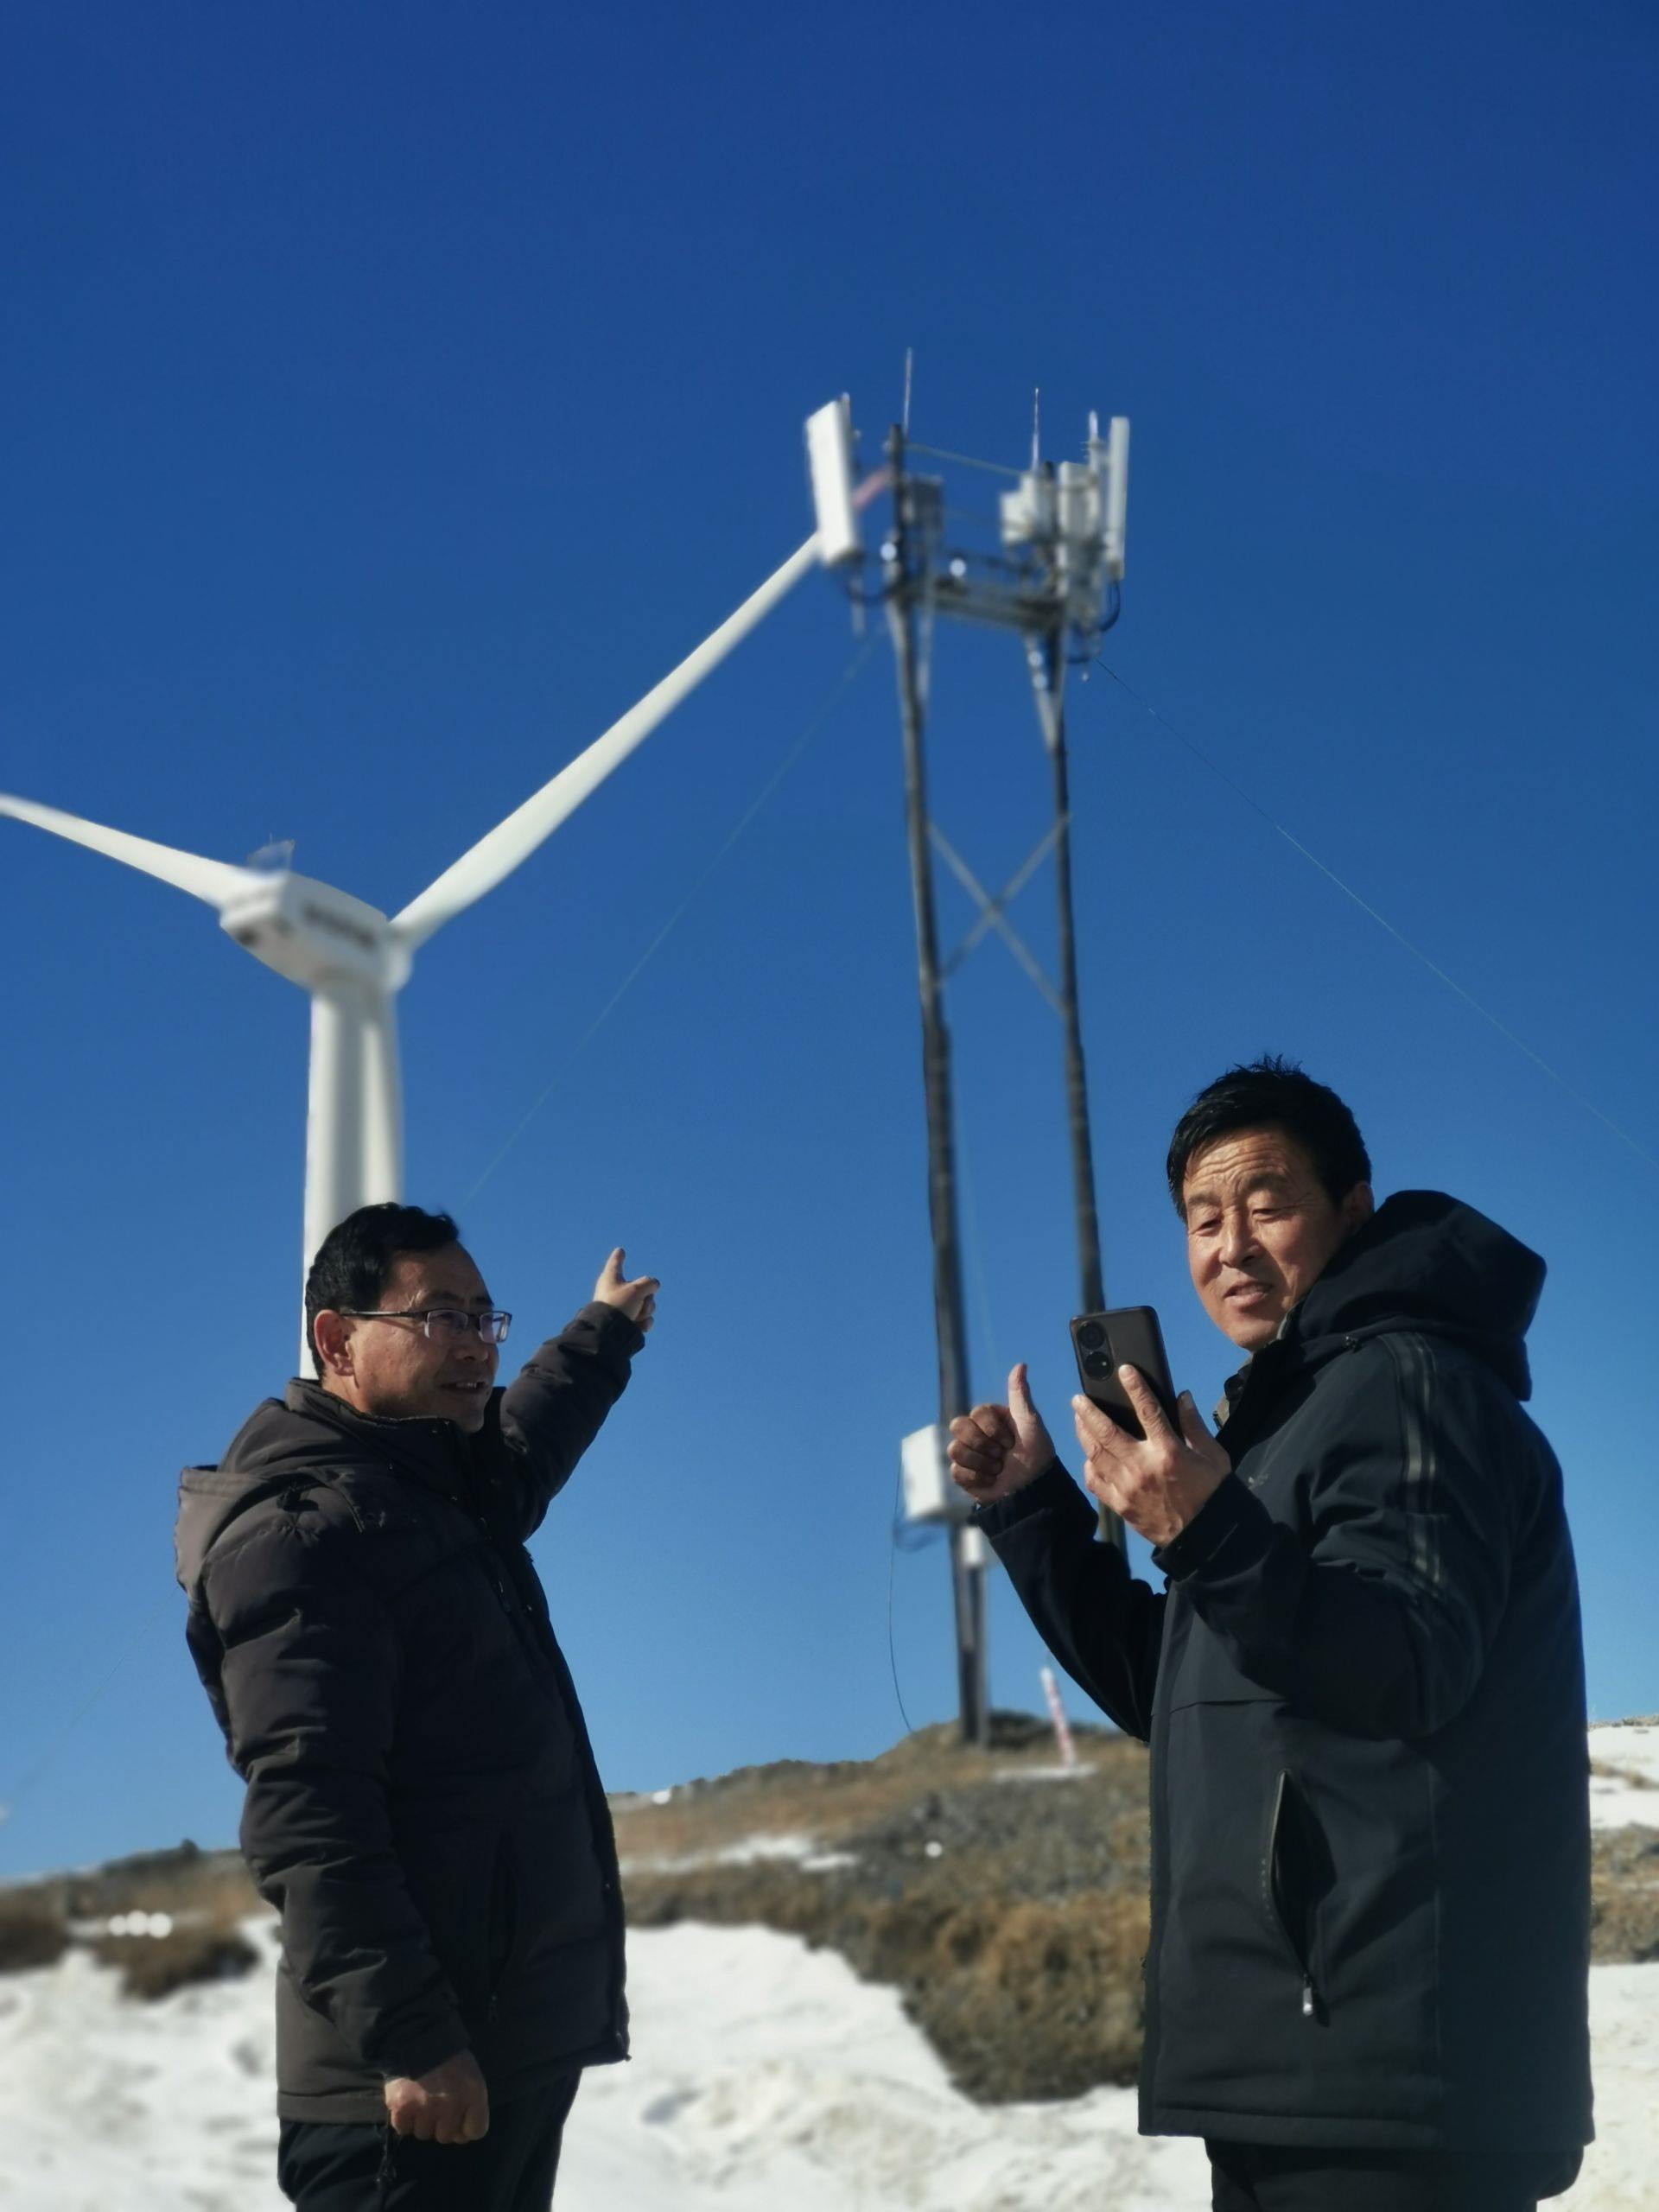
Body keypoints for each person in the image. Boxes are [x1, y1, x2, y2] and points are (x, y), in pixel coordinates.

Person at [949, 1059, 1591, 2212]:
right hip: (1300, 2071)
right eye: (1204, 1220)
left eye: (1267, 1204)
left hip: (1391, 2078)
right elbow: (1177, 1690)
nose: (1231, 1247)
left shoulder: (1411, 1384)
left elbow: (1410, 1660)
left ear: (1353, 1209)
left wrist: (1203, 1530)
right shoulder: (1280, 1424)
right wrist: (1036, 1511)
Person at [175, 1203, 658, 2211]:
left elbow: (528, 1439)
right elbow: (309, 1820)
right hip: (403, 2097)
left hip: (499, 2060)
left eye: (485, 1317)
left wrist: (602, 1333)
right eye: (441, 1316)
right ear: (337, 1341)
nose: (476, 1343)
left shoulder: (436, 1493)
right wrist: (413, 2036)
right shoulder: (303, 1536)